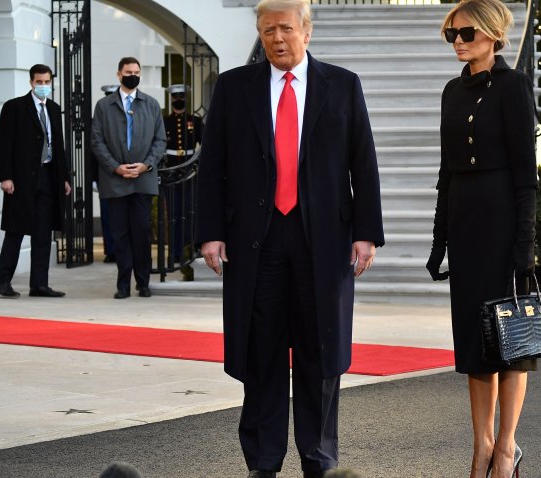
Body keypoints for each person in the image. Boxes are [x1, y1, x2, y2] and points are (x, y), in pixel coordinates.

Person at [196, 0, 384, 476]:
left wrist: (366, 233)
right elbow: (212, 165)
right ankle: (262, 461)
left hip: (322, 240)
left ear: (306, 31)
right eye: (266, 31)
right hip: (254, 240)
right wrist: (211, 234)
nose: (276, 39)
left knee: (320, 354)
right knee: (261, 351)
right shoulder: (235, 87)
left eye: (284, 29)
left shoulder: (341, 85)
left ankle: (318, 458)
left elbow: (363, 161)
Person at [425, 1, 538, 477]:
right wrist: (439, 240)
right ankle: (481, 447)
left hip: (501, 225)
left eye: (466, 32)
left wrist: (525, 243)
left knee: (508, 340)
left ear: (492, 33)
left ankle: (506, 446)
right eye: (452, 34)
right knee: (475, 345)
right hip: (467, 230)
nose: (459, 41)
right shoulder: (451, 91)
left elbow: (526, 174)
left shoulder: (512, 87)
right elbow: (447, 173)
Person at [0, 63, 72, 298]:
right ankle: (3, 282)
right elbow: (3, 144)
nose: (44, 86)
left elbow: (59, 146)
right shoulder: (15, 107)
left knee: (43, 233)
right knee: (15, 231)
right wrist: (5, 176)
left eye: (47, 82)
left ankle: (39, 285)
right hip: (21, 181)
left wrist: (64, 177)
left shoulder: (54, 109)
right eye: (40, 82)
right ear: (31, 83)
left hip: (48, 177)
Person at [91, 57, 166, 299]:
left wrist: (146, 165)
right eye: (128, 72)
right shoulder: (104, 106)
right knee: (120, 234)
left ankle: (143, 283)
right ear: (118, 74)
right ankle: (122, 284)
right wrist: (116, 167)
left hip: (143, 180)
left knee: (142, 232)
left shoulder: (151, 104)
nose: (132, 75)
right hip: (115, 181)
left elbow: (160, 141)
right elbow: (97, 141)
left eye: (136, 72)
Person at [163, 83, 202, 279]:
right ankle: (175, 253)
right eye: (175, 97)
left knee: (190, 214)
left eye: (181, 96)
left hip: (190, 173)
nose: (178, 100)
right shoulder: (165, 121)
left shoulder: (194, 121)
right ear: (171, 99)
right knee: (174, 216)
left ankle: (190, 251)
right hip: (171, 174)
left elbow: (204, 146)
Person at [98, 84, 119, 264]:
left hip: (126, 174)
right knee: (107, 216)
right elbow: (92, 150)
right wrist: (92, 179)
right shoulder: (98, 118)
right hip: (105, 175)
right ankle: (111, 250)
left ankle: (121, 250)